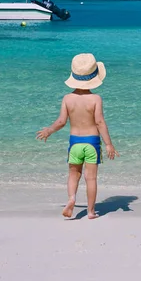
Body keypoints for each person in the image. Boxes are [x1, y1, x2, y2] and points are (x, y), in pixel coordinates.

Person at [36, 53, 119, 219]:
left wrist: (49, 130)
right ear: (94, 77)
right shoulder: (96, 99)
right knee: (91, 178)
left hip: (75, 143)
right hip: (92, 143)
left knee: (74, 174)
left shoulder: (67, 98)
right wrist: (109, 144)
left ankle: (72, 198)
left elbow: (61, 121)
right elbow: (100, 122)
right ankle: (90, 211)